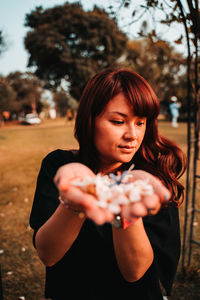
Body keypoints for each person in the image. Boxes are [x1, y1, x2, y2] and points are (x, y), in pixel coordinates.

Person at [29, 68, 186, 300]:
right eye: (118, 121)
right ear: (90, 120)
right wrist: (76, 201)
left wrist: (124, 209)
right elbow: (48, 254)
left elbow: (135, 272)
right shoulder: (60, 166)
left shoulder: (151, 178)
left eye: (140, 122)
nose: (132, 135)